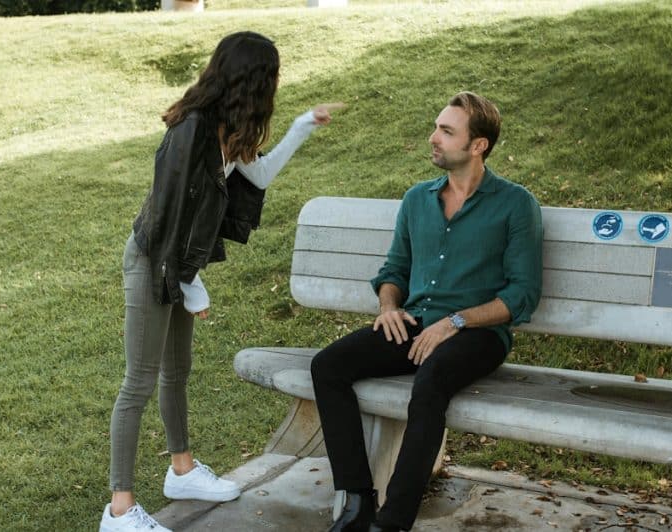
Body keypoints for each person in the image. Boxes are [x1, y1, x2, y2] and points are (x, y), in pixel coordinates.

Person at [101, 31, 341, 532]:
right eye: (270, 79)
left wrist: (301, 126)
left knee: (177, 372)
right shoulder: (192, 131)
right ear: (251, 81)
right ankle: (119, 510)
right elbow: (168, 216)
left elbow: (258, 177)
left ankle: (182, 471)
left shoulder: (227, 129)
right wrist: (188, 284)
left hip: (178, 267)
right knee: (138, 383)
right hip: (153, 262)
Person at [310, 92, 543, 532]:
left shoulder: (515, 204)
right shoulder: (418, 198)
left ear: (479, 146)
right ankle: (358, 500)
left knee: (433, 377)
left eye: (447, 131)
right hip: (416, 323)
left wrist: (455, 322)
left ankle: (393, 521)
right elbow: (393, 269)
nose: (433, 138)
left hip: (477, 335)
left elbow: (522, 295)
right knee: (328, 366)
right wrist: (389, 306)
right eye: (437, 127)